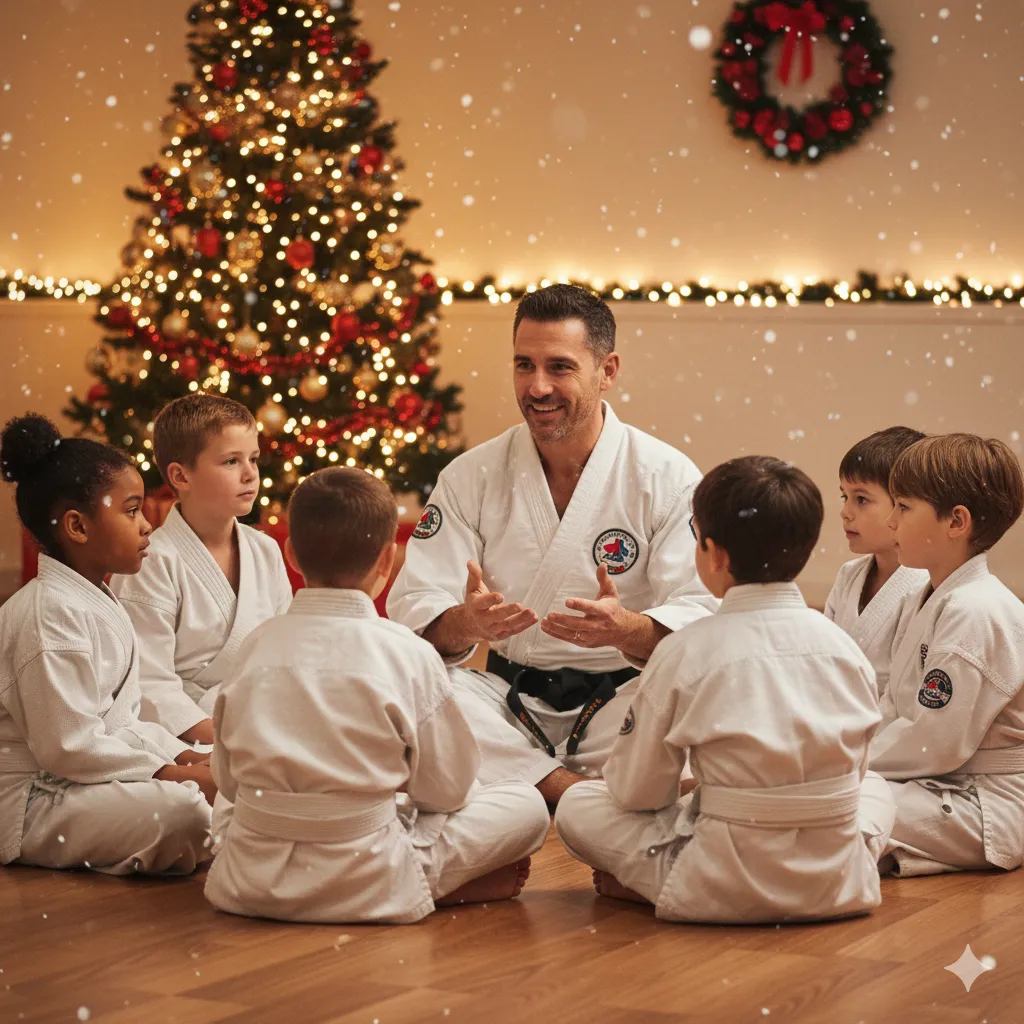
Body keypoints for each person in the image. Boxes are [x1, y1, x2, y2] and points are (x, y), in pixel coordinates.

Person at [387, 284, 717, 806]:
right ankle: (575, 792)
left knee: (700, 703)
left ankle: (531, 785)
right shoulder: (471, 475)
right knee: (415, 690)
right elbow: (415, 609)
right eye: (524, 365)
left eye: (559, 367)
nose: (537, 387)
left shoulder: (667, 477)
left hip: (623, 702)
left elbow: (702, 614)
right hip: (503, 704)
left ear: (607, 371)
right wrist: (467, 624)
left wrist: (627, 628)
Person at [554, 456, 895, 923]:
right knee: (878, 787)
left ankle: (655, 885)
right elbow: (854, 773)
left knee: (579, 805)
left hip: (721, 880)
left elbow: (638, 794)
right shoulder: (843, 648)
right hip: (836, 878)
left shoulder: (685, 650)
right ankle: (818, 883)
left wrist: (695, 801)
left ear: (714, 555)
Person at [205, 467, 550, 924]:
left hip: (249, 878)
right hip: (368, 874)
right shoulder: (406, 651)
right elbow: (446, 792)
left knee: (238, 803)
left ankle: (301, 885)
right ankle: (434, 884)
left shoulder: (256, 645)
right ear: (388, 560)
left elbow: (227, 781)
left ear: (290, 553)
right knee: (525, 807)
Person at [0, 414, 212, 875]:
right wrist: (171, 774)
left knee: (220, 775)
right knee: (182, 812)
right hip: (33, 801)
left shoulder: (93, 598)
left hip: (79, 780)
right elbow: (68, 747)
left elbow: (121, 722)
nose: (146, 527)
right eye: (131, 510)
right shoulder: (48, 614)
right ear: (77, 526)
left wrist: (185, 755)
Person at [872, 433, 1024, 876]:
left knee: (826, 805)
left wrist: (844, 764)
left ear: (956, 522)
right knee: (810, 797)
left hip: (984, 800)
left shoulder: (978, 610)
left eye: (903, 507)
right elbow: (895, 710)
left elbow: (934, 742)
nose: (891, 522)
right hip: (937, 780)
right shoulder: (927, 596)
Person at [109, 394, 293, 745]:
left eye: (253, 459)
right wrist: (228, 740)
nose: (250, 474)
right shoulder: (151, 562)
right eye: (230, 462)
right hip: (185, 736)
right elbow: (147, 682)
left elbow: (285, 650)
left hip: (264, 718)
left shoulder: (265, 551)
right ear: (181, 475)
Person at [824, 426, 929, 695]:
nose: (845, 512)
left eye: (861, 499)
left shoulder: (927, 587)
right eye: (844, 496)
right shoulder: (849, 575)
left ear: (903, 505)